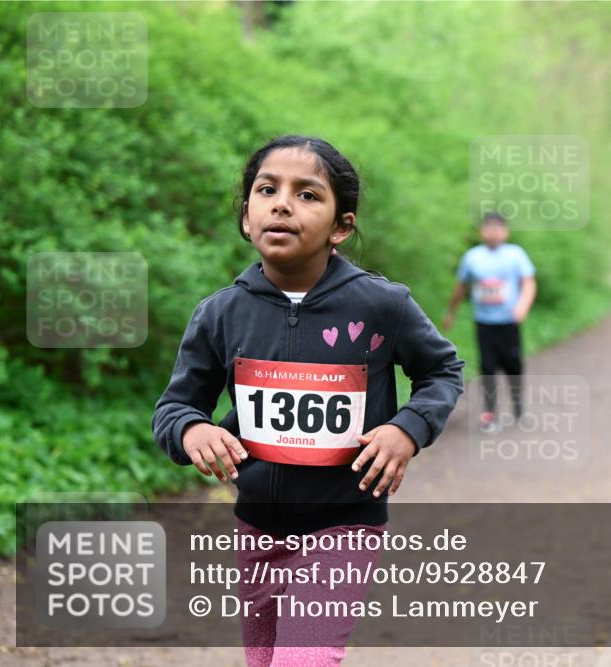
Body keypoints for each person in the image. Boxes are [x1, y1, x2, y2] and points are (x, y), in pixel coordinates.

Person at [152, 135, 464, 666]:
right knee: (265, 659)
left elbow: (442, 370)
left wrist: (407, 427)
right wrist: (192, 430)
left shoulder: (382, 304)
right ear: (247, 218)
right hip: (257, 524)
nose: (282, 203)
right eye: (266, 189)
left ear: (341, 226)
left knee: (303, 660)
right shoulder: (220, 314)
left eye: (307, 195)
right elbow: (174, 407)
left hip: (346, 521)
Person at [442, 212, 536, 433]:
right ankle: (490, 414)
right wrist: (451, 313)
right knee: (488, 368)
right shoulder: (473, 257)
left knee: (514, 366)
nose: (493, 233)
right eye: (488, 228)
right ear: (481, 231)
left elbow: (529, 282)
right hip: (484, 323)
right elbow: (461, 287)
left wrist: (523, 305)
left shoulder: (515, 254)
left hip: (509, 323)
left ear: (506, 231)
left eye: (497, 228)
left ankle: (519, 408)